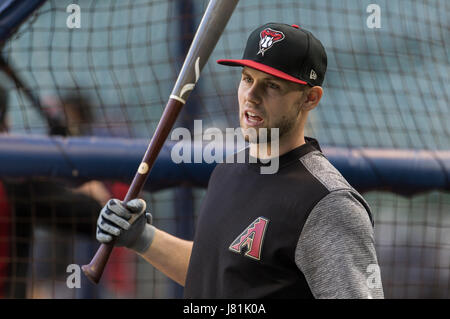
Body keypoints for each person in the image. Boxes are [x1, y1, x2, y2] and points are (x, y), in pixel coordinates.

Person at [96, 23, 384, 298]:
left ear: (310, 98)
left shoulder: (328, 202)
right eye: (247, 78)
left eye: (272, 86)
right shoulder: (226, 172)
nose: (251, 96)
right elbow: (220, 276)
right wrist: (142, 238)